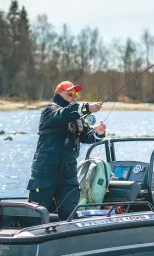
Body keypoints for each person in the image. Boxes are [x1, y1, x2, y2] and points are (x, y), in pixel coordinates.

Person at [26, 81, 107, 220]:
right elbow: (64, 114)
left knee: (70, 211)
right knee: (37, 212)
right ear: (59, 94)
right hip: (46, 171)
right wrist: (87, 107)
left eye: (75, 93)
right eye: (70, 93)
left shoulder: (77, 118)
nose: (74, 96)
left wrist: (98, 133)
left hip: (68, 172)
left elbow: (87, 136)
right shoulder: (50, 111)